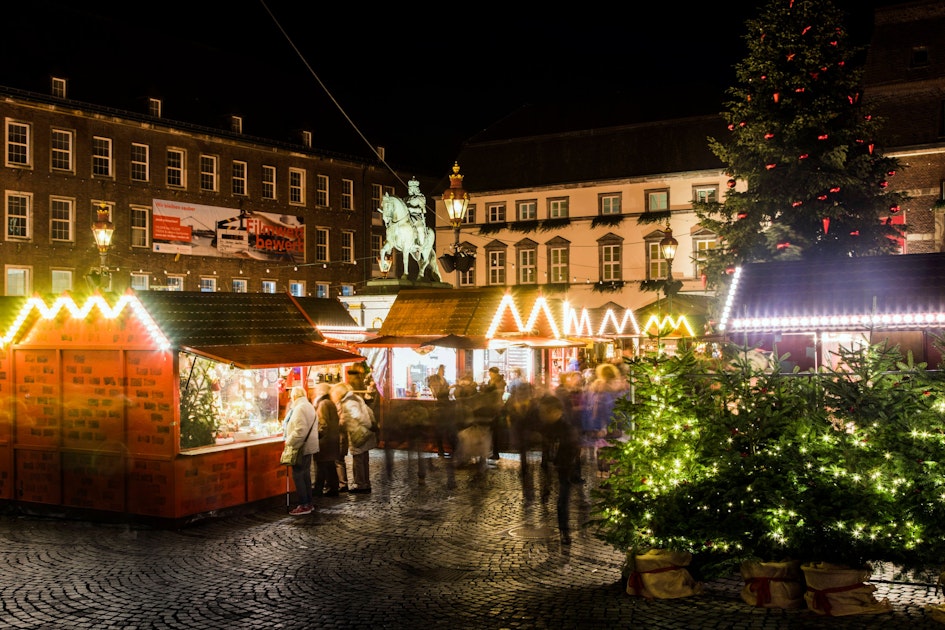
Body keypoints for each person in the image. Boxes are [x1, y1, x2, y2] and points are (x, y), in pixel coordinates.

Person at [534, 394, 581, 545]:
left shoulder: (566, 427)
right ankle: (545, 493)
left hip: (564, 469)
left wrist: (564, 464)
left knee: (562, 502)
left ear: (555, 412)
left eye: (544, 412)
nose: (541, 415)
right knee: (556, 496)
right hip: (550, 466)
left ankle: (564, 532)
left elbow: (573, 449)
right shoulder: (545, 426)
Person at [332, 382, 377, 493]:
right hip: (363, 433)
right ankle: (366, 483)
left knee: (358, 460)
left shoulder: (348, 402)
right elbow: (369, 411)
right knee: (364, 459)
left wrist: (366, 426)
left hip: (358, 434)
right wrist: (371, 426)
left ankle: (361, 485)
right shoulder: (356, 397)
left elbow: (359, 416)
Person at [581, 362, 627, 463]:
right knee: (613, 459)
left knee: (607, 456)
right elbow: (605, 411)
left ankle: (605, 472)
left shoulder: (597, 390)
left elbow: (590, 410)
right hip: (611, 430)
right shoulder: (605, 393)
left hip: (605, 430)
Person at [284, 385, 318, 515]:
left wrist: (289, 441)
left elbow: (300, 430)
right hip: (309, 446)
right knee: (305, 475)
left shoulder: (299, 409)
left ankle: (304, 504)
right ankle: (308, 502)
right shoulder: (308, 406)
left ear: (293, 396)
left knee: (298, 475)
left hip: (301, 447)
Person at [312, 383, 341, 497]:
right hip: (332, 440)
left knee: (321, 466)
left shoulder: (323, 404)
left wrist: (317, 436)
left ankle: (318, 489)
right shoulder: (330, 402)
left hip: (325, 442)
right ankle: (333, 488)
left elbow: (323, 424)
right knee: (329, 466)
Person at [426, 364, 453, 457]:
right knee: (440, 428)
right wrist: (449, 389)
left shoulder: (444, 379)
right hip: (440, 406)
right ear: (439, 370)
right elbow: (438, 393)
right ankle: (440, 449)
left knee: (447, 428)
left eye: (444, 369)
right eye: (442, 369)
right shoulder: (434, 379)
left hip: (446, 405)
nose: (443, 371)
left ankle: (447, 448)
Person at [483, 367, 507, 460]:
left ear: (494, 373)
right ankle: (492, 451)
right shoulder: (492, 381)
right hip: (492, 407)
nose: (489, 374)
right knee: (492, 431)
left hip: (496, 408)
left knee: (495, 431)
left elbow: (496, 393)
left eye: (490, 373)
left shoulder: (498, 382)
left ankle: (495, 453)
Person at [405, 176, 427, 247]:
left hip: (416, 216)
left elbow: (423, 210)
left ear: (415, 189)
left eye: (411, 188)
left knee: (420, 228)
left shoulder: (420, 198)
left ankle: (421, 244)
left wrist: (412, 209)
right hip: (406, 216)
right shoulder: (405, 198)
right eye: (409, 188)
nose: (409, 189)